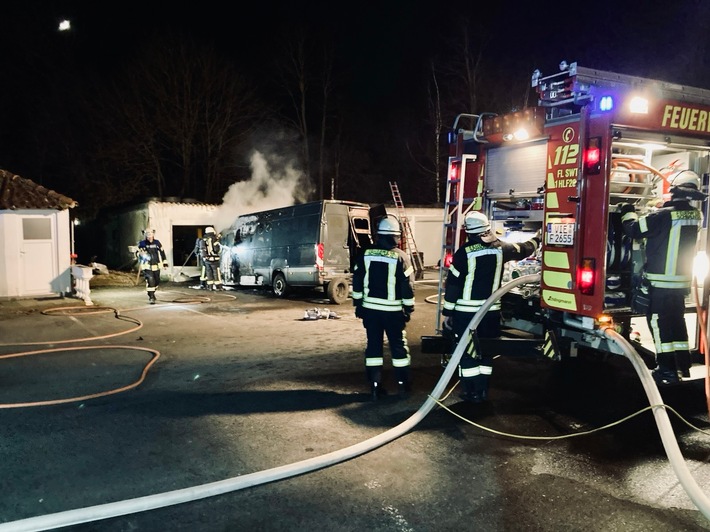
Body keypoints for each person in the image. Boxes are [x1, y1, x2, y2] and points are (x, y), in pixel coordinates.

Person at [618, 170, 707, 385]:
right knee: (677, 323)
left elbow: (634, 230)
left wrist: (627, 211)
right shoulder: (696, 215)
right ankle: (682, 366)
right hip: (680, 285)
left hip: (660, 284)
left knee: (659, 324)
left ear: (674, 190)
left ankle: (666, 370)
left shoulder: (663, 215)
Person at [442, 211, 541, 403]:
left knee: (468, 352)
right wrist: (539, 237)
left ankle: (470, 392)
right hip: (490, 312)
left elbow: (453, 286)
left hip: (466, 314)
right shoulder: (500, 248)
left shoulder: (463, 254)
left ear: (468, 232)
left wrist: (448, 312)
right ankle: (483, 390)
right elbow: (525, 248)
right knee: (486, 350)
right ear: (486, 229)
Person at [352, 215, 415, 400]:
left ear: (378, 234)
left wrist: (358, 304)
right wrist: (408, 309)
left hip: (370, 312)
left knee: (373, 348)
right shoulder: (402, 257)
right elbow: (408, 287)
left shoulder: (365, 254)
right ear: (396, 236)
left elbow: (357, 281)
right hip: (394, 313)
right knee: (398, 349)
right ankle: (403, 386)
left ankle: (374, 386)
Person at [137, 228, 168, 304]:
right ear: (146, 236)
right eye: (148, 237)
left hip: (156, 265)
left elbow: (162, 252)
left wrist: (165, 262)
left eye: (151, 236)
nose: (149, 238)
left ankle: (152, 293)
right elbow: (138, 253)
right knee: (151, 280)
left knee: (157, 281)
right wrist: (140, 254)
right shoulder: (142, 244)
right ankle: (151, 297)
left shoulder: (157, 243)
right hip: (147, 266)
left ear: (153, 236)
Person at [198, 226, 223, 291]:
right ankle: (218, 286)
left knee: (209, 272)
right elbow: (216, 249)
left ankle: (210, 287)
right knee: (216, 272)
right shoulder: (214, 239)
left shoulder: (203, 240)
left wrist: (205, 257)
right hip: (214, 259)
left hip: (206, 259)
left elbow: (202, 249)